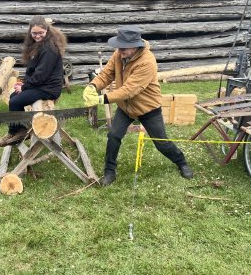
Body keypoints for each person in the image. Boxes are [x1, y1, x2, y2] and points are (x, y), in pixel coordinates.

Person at [83, 25, 193, 186]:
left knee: (161, 143)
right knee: (113, 136)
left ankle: (181, 162)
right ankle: (109, 172)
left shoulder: (147, 62)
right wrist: (93, 86)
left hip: (148, 108)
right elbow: (107, 74)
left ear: (135, 46)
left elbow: (129, 90)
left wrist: (101, 99)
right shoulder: (119, 53)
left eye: (124, 48)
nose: (120, 51)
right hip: (125, 108)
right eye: (119, 47)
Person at [0, 15, 67, 147]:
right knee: (13, 96)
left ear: (46, 30)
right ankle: (17, 129)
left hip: (49, 88)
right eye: (34, 33)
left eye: (41, 33)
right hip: (41, 85)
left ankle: (17, 132)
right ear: (30, 32)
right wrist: (24, 83)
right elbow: (33, 70)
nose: (37, 36)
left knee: (15, 101)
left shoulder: (49, 48)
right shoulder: (38, 45)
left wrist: (24, 87)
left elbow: (41, 74)